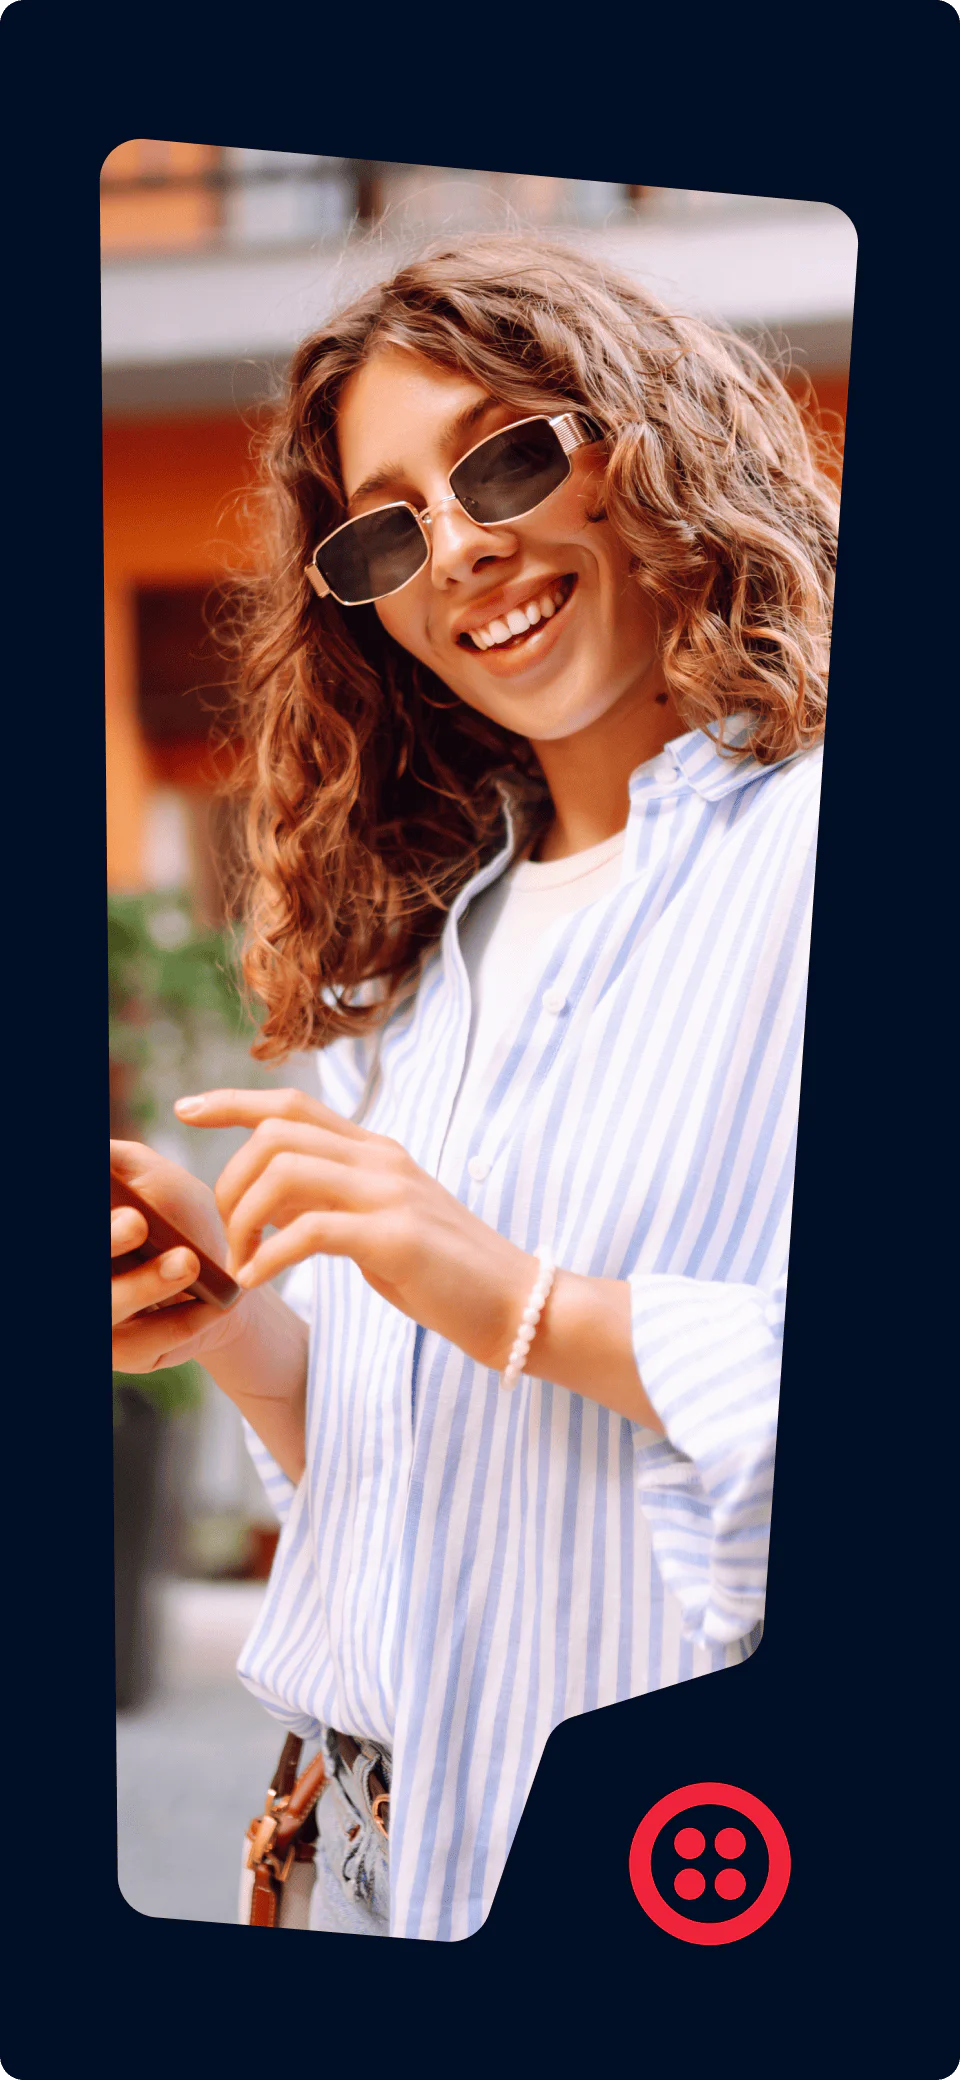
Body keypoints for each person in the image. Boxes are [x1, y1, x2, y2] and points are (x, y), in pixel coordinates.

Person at [110, 232, 838, 1942]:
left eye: (509, 455)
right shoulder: (441, 953)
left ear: (646, 447)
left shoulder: (819, 853)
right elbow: (416, 1464)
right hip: (394, 1867)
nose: (463, 548)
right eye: (388, 527)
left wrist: (512, 1295)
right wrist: (239, 1323)